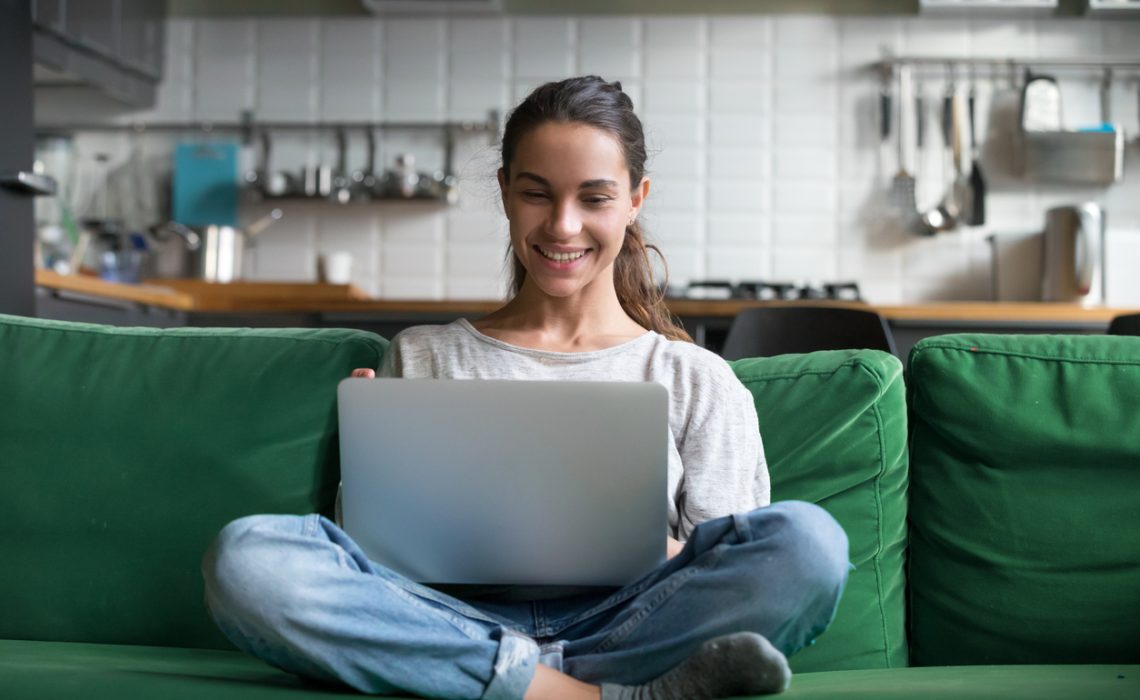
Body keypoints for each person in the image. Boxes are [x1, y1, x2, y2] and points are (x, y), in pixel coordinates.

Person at [202, 76, 850, 700]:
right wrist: (374, 462)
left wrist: (638, 542)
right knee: (249, 559)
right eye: (537, 193)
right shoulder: (424, 354)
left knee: (809, 543)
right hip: (449, 623)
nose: (562, 227)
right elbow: (371, 571)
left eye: (594, 198)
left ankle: (504, 685)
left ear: (636, 198)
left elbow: (725, 567)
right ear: (506, 191)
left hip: (627, 629)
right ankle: (592, 696)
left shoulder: (696, 378)